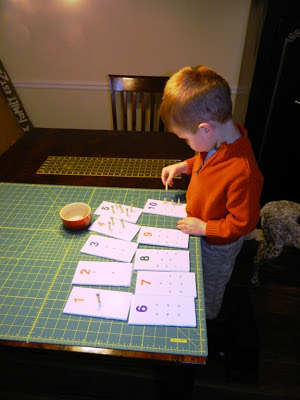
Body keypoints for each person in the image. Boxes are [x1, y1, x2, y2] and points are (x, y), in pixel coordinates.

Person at [160, 65, 263, 320]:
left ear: (206, 129)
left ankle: (207, 319)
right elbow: (209, 162)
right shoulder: (218, 139)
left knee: (210, 287)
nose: (187, 143)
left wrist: (205, 228)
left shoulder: (244, 173)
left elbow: (243, 223)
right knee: (196, 274)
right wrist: (186, 165)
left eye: (185, 138)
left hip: (218, 245)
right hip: (201, 227)